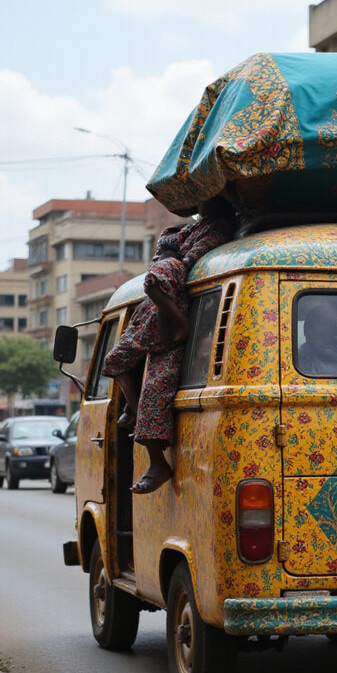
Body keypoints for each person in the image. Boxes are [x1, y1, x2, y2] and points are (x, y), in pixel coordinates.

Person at [102, 196, 238, 495]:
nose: (199, 200)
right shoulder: (191, 229)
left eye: (206, 194)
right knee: (116, 361)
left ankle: (156, 461)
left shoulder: (219, 228)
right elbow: (170, 245)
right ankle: (135, 412)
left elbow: (182, 263)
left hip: (172, 314)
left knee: (156, 388)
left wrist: (168, 276)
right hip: (156, 316)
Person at [297, 305, 337, 375]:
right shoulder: (298, 356)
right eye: (318, 332)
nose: (323, 338)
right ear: (307, 334)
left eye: (327, 332)